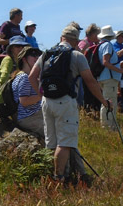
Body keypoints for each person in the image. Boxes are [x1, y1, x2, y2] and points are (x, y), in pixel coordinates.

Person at [29, 25, 110, 182]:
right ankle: (59, 179)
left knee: (51, 143)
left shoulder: (46, 54)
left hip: (47, 102)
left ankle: (50, 176)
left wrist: (42, 95)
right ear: (75, 40)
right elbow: (90, 81)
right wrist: (104, 102)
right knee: (65, 143)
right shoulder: (76, 56)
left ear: (61, 38)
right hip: (65, 101)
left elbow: (32, 76)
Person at [97, 25, 123, 130]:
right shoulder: (108, 45)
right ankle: (108, 126)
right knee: (109, 102)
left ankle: (108, 125)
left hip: (103, 77)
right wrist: (120, 70)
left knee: (107, 100)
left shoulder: (100, 45)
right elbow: (106, 62)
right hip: (109, 78)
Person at [11, 46, 45, 138]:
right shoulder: (25, 78)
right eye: (33, 55)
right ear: (24, 59)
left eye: (38, 55)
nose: (37, 57)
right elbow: (24, 101)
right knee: (53, 133)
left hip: (32, 114)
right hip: (28, 117)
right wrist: (42, 95)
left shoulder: (22, 76)